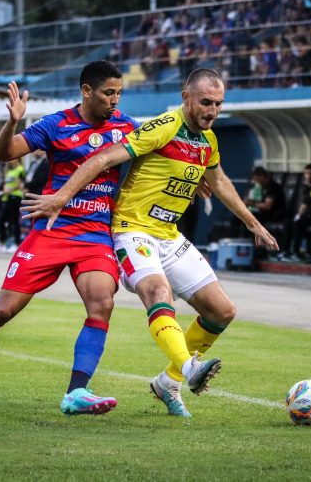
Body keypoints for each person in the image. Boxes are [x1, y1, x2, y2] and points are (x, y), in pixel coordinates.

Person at [23, 69, 279, 418]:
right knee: (158, 292)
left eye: (218, 104)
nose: (212, 111)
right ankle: (190, 369)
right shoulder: (164, 127)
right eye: (205, 102)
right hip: (132, 231)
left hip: (169, 236)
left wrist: (254, 224)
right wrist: (60, 197)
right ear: (186, 97)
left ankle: (168, 382)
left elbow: (219, 182)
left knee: (222, 311)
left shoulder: (207, 140)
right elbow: (101, 158)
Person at [0, 60, 141, 415]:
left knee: (102, 303)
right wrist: (12, 122)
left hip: (95, 233)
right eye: (108, 93)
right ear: (87, 91)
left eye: (119, 93)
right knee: (2, 311)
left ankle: (76, 393)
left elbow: (164, 153)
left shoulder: (128, 127)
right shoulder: (56, 124)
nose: (115, 100)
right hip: (52, 231)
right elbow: (4, 154)